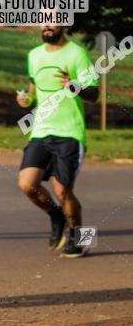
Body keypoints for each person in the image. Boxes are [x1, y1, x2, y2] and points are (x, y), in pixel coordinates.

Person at [16, 24, 98, 258]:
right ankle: (56, 216)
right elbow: (34, 89)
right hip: (41, 131)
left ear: (65, 24)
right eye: (43, 20)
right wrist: (27, 99)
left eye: (53, 20)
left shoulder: (77, 53)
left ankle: (79, 238)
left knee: (63, 190)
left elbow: (94, 94)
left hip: (70, 132)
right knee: (26, 184)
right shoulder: (34, 55)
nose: (47, 25)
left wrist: (76, 86)